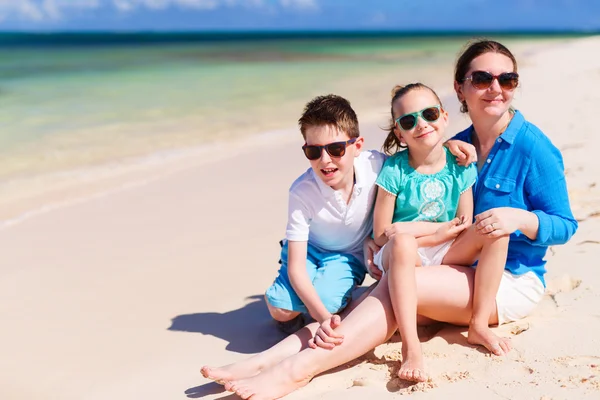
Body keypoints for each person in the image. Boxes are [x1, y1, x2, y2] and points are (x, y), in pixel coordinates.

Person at [201, 39, 576, 400]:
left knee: (393, 291)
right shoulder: (456, 143)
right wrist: (378, 236)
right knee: (356, 305)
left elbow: (564, 225)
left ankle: (295, 371)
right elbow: (425, 154)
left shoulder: (533, 147)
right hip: (455, 265)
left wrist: (519, 218)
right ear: (460, 89)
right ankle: (263, 360)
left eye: (507, 79)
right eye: (482, 79)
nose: (495, 88)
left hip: (506, 282)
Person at [371, 83, 509, 382]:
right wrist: (421, 233)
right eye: (409, 121)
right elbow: (383, 233)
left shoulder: (460, 166)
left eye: (429, 114)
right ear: (399, 133)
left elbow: (463, 221)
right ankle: (411, 346)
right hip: (402, 253)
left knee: (496, 229)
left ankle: (479, 324)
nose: (421, 124)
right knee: (405, 243)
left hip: (445, 245)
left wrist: (423, 231)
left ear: (444, 117)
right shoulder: (395, 170)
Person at [262, 94, 386, 333]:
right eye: (314, 152)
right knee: (282, 310)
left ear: (357, 146)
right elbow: (297, 268)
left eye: (336, 149)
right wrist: (323, 320)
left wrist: (450, 146)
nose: (325, 160)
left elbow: (416, 163)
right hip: (307, 250)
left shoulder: (376, 165)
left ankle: (326, 298)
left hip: (349, 255)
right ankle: (289, 307)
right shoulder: (302, 191)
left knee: (327, 301)